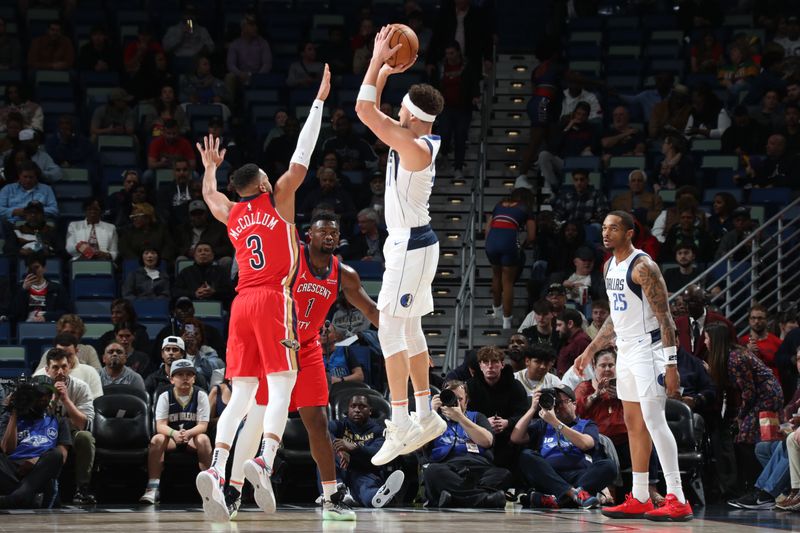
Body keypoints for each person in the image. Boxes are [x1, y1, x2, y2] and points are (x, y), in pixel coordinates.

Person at [195, 65, 331, 521]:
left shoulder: (232, 214)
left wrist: (210, 168)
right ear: (266, 185)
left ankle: (216, 469)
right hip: (274, 299)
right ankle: (262, 460)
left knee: (239, 396)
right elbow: (302, 153)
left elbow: (209, 197)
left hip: (240, 304)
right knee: (282, 387)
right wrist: (319, 102)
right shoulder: (280, 199)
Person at [225, 212, 380, 520]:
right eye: (324, 231)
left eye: (335, 233)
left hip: (308, 349)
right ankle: (233, 491)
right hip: (277, 344)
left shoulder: (344, 273)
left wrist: (401, 342)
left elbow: (371, 309)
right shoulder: (291, 260)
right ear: (309, 235)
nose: (330, 236)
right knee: (255, 420)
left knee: (319, 424)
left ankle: (331, 495)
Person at [355, 25, 448, 467]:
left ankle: (400, 420)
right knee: (409, 331)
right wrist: (388, 73)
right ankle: (425, 412)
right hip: (416, 243)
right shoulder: (415, 137)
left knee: (390, 330)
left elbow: (363, 109)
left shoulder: (413, 147)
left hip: (410, 246)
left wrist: (377, 60)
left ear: (410, 116)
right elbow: (376, 111)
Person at [574, 210, 694, 521]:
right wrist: (590, 349)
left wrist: (671, 365)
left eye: (613, 228)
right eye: (603, 228)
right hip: (625, 350)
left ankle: (677, 497)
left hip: (649, 349)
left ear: (629, 233)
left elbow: (667, 319)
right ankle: (640, 495)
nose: (606, 233)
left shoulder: (644, 266)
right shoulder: (609, 264)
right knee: (633, 423)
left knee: (655, 421)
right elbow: (616, 316)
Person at [511, 383, 616, 509]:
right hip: (549, 476)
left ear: (574, 404)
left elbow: (585, 444)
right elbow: (515, 438)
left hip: (579, 476)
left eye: (562, 402)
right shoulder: (543, 424)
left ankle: (557, 499)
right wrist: (533, 408)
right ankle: (573, 495)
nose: (558, 407)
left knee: (609, 466)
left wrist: (556, 423)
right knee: (526, 455)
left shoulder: (586, 424)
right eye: (555, 403)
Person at [705, 322, 784, 489]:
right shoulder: (730, 356)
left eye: (706, 338)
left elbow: (748, 392)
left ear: (715, 340)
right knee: (745, 438)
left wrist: (740, 417)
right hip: (760, 397)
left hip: (767, 397)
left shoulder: (735, 358)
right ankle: (756, 485)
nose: (705, 342)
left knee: (746, 438)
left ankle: (756, 486)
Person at [422, 379, 511, 509]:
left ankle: (453, 499)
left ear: (467, 401)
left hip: (478, 468)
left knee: (504, 474)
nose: (455, 402)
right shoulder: (435, 420)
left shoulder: (477, 417)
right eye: (451, 397)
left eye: (460, 399)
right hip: (448, 467)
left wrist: (460, 418)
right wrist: (432, 414)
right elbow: (420, 446)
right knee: (432, 471)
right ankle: (484, 499)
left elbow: (487, 441)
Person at [140, 359, 212, 504]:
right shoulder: (165, 396)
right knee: (157, 439)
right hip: (172, 439)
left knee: (204, 439)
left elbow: (203, 425)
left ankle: (210, 488)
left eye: (188, 374)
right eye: (180, 374)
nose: (185, 378)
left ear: (194, 378)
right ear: (171, 379)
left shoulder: (201, 395)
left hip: (192, 438)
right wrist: (174, 434)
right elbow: (160, 425)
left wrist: (188, 433)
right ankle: (152, 488)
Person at [0, 378, 70, 509]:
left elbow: (63, 457)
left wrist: (37, 461)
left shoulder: (59, 421)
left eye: (49, 394)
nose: (44, 398)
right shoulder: (10, 417)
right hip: (12, 469)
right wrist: (14, 412)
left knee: (56, 455)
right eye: (39, 394)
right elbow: (7, 449)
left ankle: (16, 498)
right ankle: (26, 497)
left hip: (40, 470)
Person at [328, 394, 404, 509]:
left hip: (363, 471)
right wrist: (341, 451)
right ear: (348, 410)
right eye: (353, 406)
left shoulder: (379, 430)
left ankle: (383, 495)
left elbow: (378, 453)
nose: (357, 410)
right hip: (341, 470)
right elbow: (323, 433)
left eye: (362, 406)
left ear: (370, 411)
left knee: (369, 496)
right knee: (326, 453)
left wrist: (354, 447)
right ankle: (337, 490)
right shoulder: (340, 425)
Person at [43, 348, 96, 505]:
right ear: (47, 370)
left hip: (73, 432)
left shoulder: (80, 387)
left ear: (70, 367)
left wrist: (66, 399)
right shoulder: (39, 387)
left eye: (64, 367)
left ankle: (82, 489)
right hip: (46, 433)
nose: (60, 371)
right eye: (55, 367)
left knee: (86, 437)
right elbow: (38, 422)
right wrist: (53, 399)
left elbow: (84, 424)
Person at [466, 346, 529, 468]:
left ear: (502, 364)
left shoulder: (515, 385)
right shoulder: (470, 386)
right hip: (478, 434)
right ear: (480, 365)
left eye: (494, 362)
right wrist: (483, 422)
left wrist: (508, 422)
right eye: (485, 362)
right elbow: (464, 413)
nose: (490, 366)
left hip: (508, 435)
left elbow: (523, 413)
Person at [485, 189, 536, 328]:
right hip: (508, 242)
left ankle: (496, 311)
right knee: (507, 282)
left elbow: (487, 229)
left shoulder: (499, 205)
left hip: (492, 241)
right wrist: (522, 246)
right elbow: (531, 236)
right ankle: (506, 321)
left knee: (496, 276)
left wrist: (490, 244)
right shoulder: (526, 209)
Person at [675, 284, 736, 361]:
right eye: (685, 302)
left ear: (703, 302)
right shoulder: (677, 324)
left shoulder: (722, 323)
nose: (687, 307)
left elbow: (733, 353)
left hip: (713, 371)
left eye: (691, 302)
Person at [33, 335, 103, 400]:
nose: (65, 358)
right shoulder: (40, 374)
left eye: (69, 355)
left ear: (76, 351)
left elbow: (97, 401)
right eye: (60, 353)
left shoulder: (90, 372)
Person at [172, 242, 235, 309]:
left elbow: (230, 292)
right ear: (194, 255)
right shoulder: (185, 272)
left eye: (206, 250)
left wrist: (214, 292)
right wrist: (194, 293)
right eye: (199, 251)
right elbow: (176, 292)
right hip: (190, 308)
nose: (203, 253)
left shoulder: (221, 272)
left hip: (217, 308)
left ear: (213, 255)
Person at [14, 253, 70, 324]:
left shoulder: (57, 288)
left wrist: (46, 316)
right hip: (25, 326)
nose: (34, 271)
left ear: (44, 268)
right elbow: (13, 313)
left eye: (36, 267)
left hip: (50, 324)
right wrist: (23, 290)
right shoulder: (19, 288)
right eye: (30, 268)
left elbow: (67, 312)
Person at [739, 304, 783, 379]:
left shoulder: (777, 342)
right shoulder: (741, 342)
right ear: (749, 320)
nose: (756, 321)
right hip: (751, 386)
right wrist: (746, 352)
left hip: (773, 385)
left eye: (760, 318)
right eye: (753, 318)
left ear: (767, 320)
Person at [556, 309, 592, 376]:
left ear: (570, 324)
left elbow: (585, 370)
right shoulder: (569, 340)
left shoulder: (581, 342)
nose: (557, 329)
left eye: (559, 325)